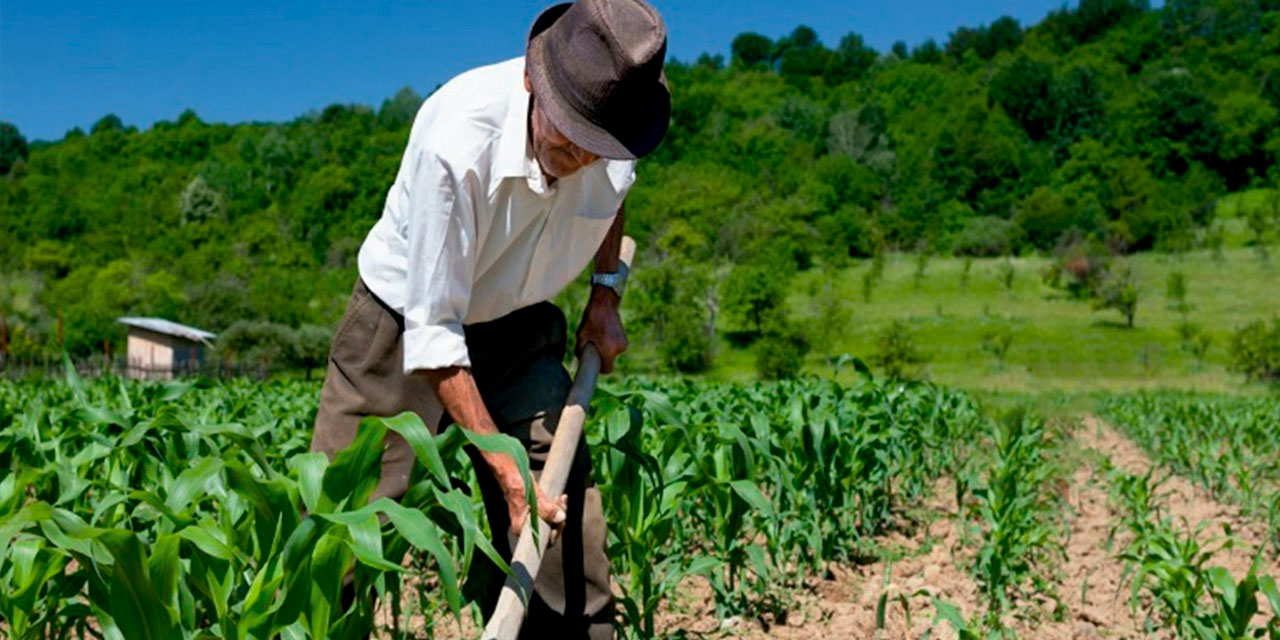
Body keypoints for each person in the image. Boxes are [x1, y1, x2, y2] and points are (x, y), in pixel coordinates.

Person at [308, 0, 669, 637]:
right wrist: (503, 473)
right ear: (533, 82)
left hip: (518, 318)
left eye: (598, 147)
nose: (583, 157)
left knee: (560, 510)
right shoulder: (456, 140)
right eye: (569, 134)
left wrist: (605, 293)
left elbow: (615, 195)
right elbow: (436, 337)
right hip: (404, 323)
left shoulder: (618, 125)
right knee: (345, 528)